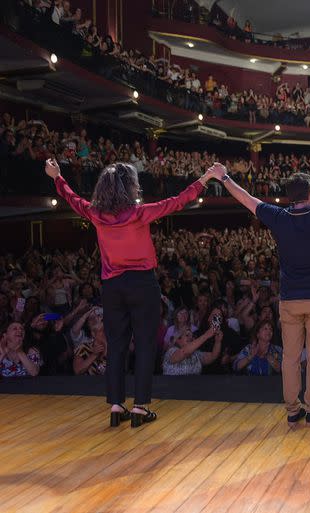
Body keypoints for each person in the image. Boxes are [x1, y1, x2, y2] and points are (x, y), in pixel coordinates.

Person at [45, 158, 216, 428]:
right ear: (129, 188)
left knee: (117, 346)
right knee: (146, 344)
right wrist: (204, 179)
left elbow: (72, 198)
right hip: (142, 284)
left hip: (112, 287)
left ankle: (116, 406)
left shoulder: (95, 213)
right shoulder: (138, 214)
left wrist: (57, 177)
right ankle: (139, 407)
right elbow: (177, 201)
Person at [207, 140, 310, 426]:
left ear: (289, 198)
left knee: (291, 357)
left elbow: (246, 199)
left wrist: (224, 176)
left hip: (290, 300)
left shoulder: (279, 217)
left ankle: (293, 411)